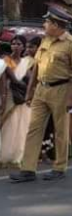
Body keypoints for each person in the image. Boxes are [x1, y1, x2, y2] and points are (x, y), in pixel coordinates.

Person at [10, 11, 72, 183]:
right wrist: (30, 91)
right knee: (34, 128)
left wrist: (71, 97)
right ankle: (28, 169)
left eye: (46, 23)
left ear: (56, 25)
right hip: (41, 90)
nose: (44, 26)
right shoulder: (46, 40)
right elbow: (37, 66)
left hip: (61, 89)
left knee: (60, 130)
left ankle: (59, 167)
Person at [1, 36, 36, 167]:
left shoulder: (27, 62)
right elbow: (14, 79)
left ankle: (18, 155)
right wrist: (29, 87)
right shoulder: (6, 60)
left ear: (23, 46)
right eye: (13, 44)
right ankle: (5, 155)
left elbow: (31, 77)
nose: (15, 46)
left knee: (23, 125)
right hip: (11, 95)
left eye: (19, 44)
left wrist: (30, 89)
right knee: (9, 124)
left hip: (24, 96)